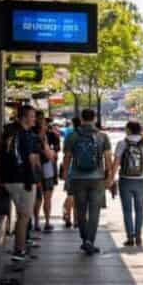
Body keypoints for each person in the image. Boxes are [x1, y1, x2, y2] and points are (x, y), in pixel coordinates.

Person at [62, 109, 113, 254]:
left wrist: (66, 175)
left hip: (77, 178)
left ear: (81, 119)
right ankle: (90, 240)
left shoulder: (72, 136)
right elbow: (108, 159)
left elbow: (67, 157)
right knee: (94, 211)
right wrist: (109, 178)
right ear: (95, 118)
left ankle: (84, 240)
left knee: (80, 210)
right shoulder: (102, 136)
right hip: (97, 178)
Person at [0, 105, 41, 264]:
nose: (35, 119)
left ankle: (20, 247)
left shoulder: (8, 131)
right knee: (24, 216)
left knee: (21, 214)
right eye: (32, 116)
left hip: (7, 179)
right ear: (24, 118)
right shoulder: (27, 135)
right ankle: (19, 250)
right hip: (24, 180)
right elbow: (32, 159)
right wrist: (36, 175)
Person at [113, 121, 143, 247]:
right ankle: (139, 236)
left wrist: (110, 178)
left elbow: (116, 163)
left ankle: (130, 237)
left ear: (128, 130)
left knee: (127, 210)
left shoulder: (122, 143)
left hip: (125, 180)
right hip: (141, 180)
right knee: (140, 210)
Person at [32, 115, 61, 233]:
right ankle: (45, 222)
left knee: (39, 198)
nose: (46, 126)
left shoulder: (48, 136)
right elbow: (52, 155)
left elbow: (55, 151)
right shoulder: (40, 138)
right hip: (45, 169)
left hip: (41, 169)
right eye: (44, 124)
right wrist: (51, 151)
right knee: (44, 198)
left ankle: (38, 222)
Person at [61, 116, 80, 228]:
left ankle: (67, 215)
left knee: (70, 195)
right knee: (78, 197)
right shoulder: (87, 135)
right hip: (83, 172)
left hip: (71, 170)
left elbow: (66, 155)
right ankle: (76, 220)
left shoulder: (70, 134)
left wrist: (65, 170)